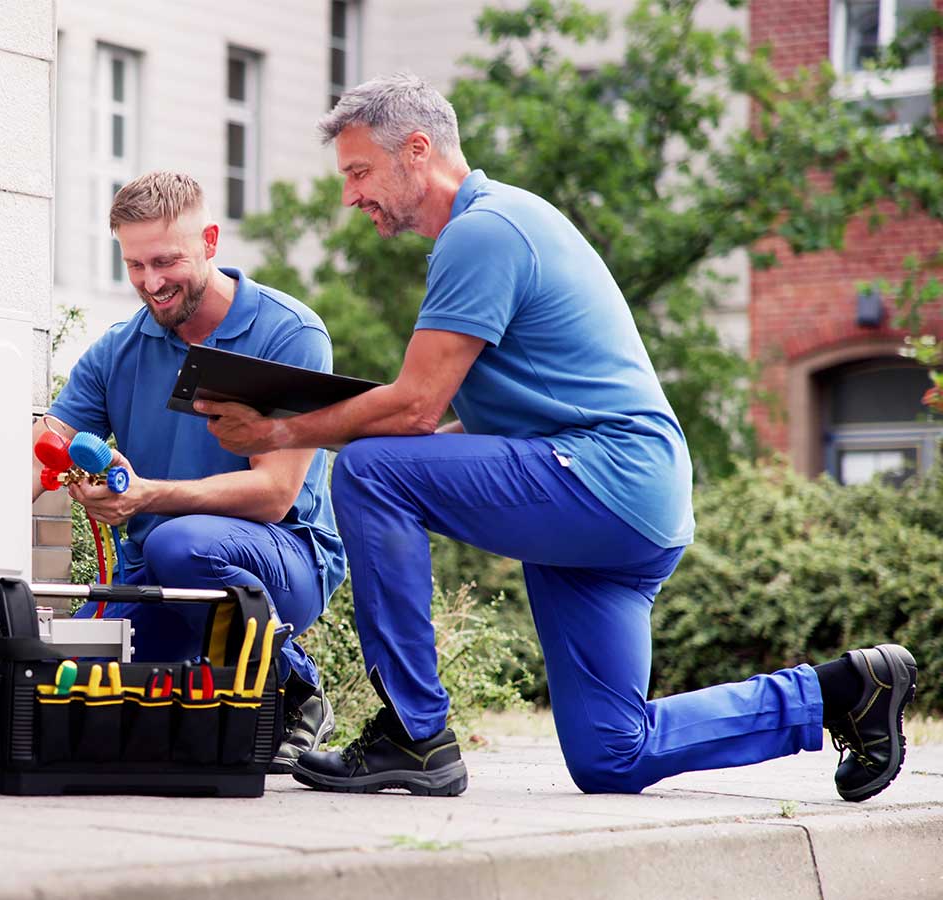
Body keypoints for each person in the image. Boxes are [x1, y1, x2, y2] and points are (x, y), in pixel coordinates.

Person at [200, 73, 919, 800]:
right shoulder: (505, 223)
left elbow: (414, 410)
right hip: (624, 501)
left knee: (371, 470)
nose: (352, 196)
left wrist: (279, 429)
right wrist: (398, 445)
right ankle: (841, 692)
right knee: (612, 754)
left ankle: (412, 733)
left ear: (417, 150)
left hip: (602, 477)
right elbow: (455, 423)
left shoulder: (483, 232)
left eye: (359, 172)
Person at [33, 171, 347, 771]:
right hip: (155, 573)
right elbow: (43, 445)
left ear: (209, 240)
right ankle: (218, 685)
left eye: (166, 261)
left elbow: (275, 494)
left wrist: (146, 496)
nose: (151, 283)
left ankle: (294, 686)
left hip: (282, 560)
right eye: (135, 265)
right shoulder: (118, 350)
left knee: (181, 540)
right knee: (59, 686)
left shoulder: (288, 333)